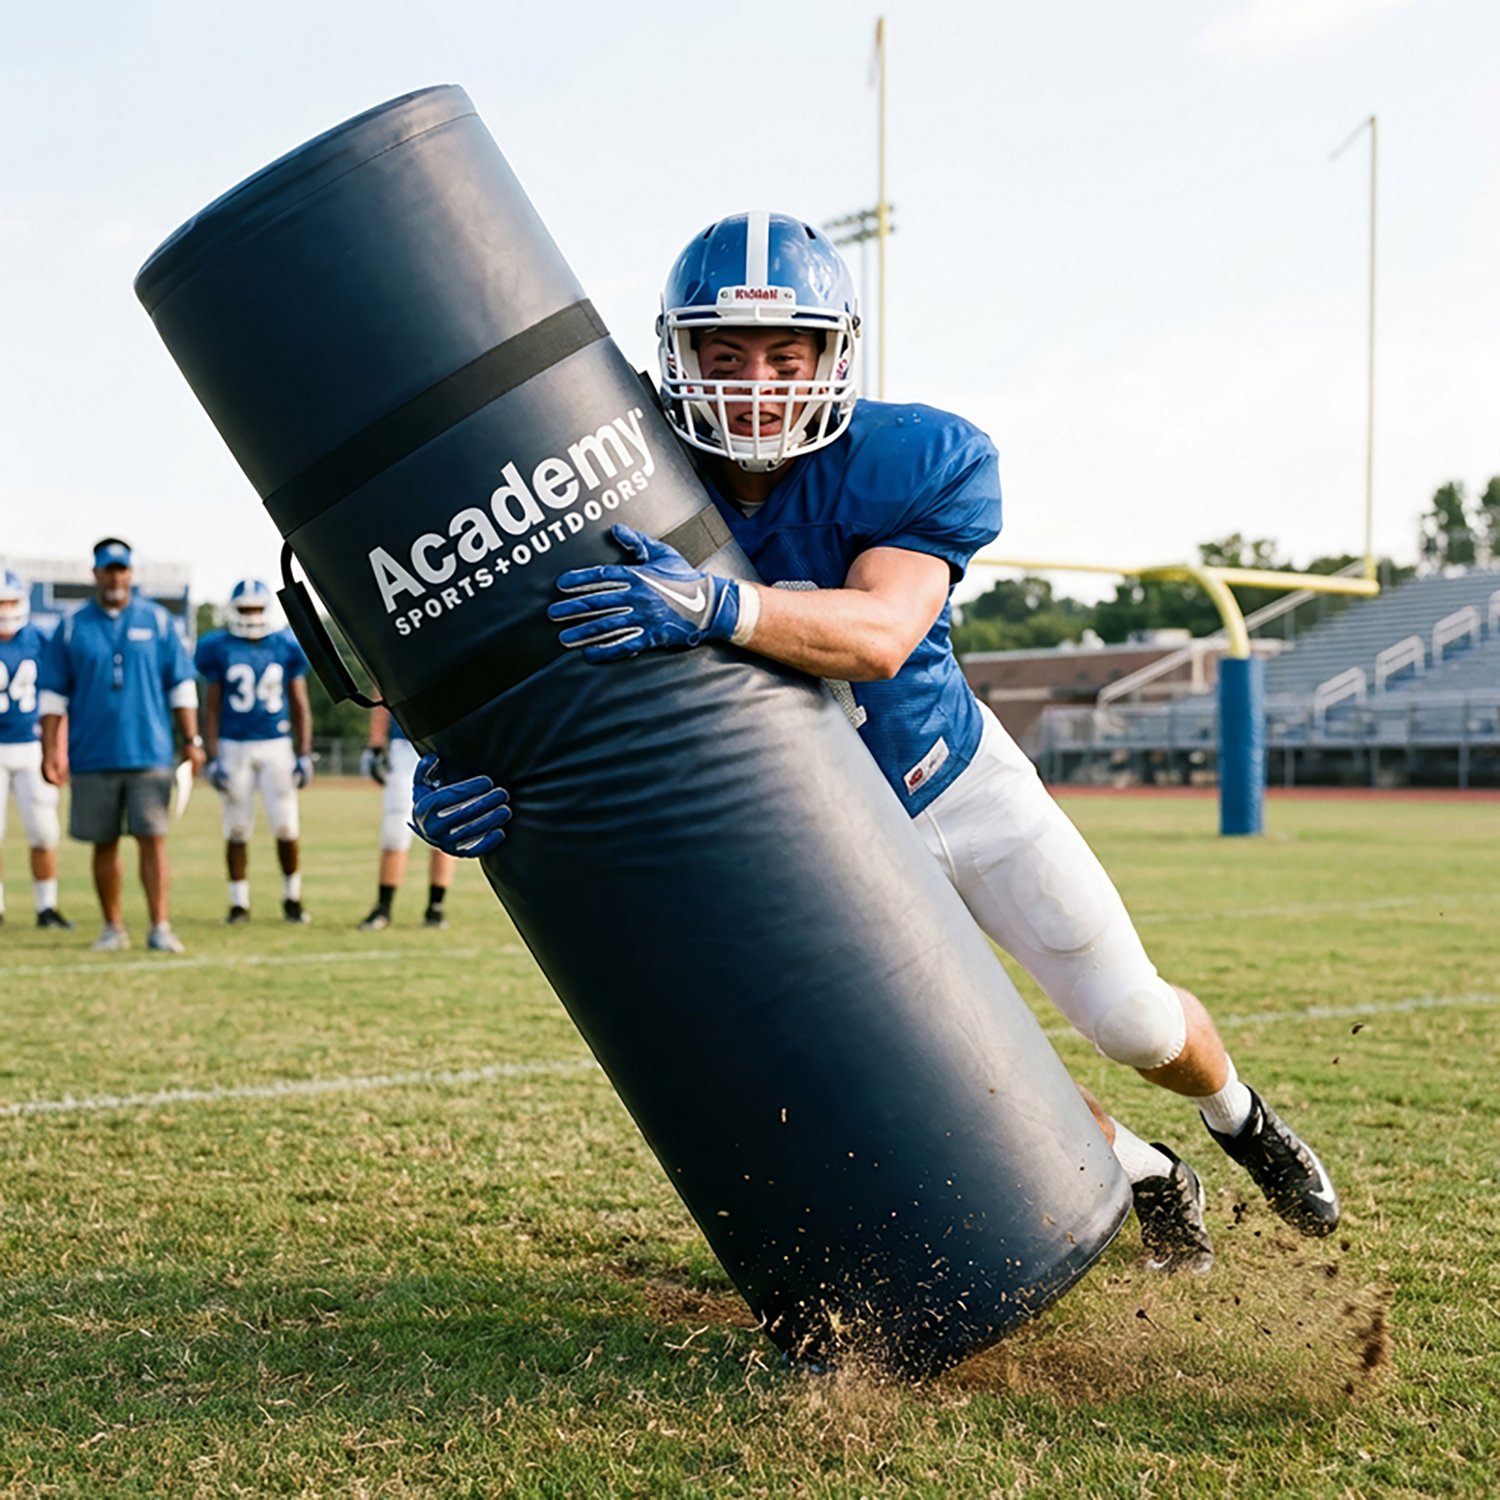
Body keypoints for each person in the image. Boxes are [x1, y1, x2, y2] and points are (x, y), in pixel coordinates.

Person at [412, 213, 1341, 1254]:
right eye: (726, 355)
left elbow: (885, 634)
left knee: (1133, 1020)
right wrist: (452, 765)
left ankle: (1239, 1120)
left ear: (832, 354)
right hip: (818, 850)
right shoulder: (617, 474)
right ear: (674, 358)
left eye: (783, 353)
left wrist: (720, 609)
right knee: (961, 1069)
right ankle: (1144, 1167)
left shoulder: (910, 459)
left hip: (954, 786)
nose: (755, 383)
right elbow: (503, 626)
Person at [37, 538, 204, 953]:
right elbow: (54, 696)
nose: (115, 577)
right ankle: (113, 926)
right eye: (108, 569)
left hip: (149, 751)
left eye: (122, 569)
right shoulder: (73, 625)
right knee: (103, 842)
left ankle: (160, 926)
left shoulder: (160, 622)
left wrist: (192, 740)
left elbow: (181, 687)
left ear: (131, 573)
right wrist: (49, 751)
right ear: (96, 573)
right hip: (92, 755)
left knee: (154, 840)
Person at [194, 578, 315, 924]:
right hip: (234, 745)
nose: (251, 615)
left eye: (256, 608)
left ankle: (292, 898)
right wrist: (213, 755)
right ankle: (239, 903)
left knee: (286, 826)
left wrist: (304, 753)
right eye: (245, 609)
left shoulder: (284, 645)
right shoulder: (219, 646)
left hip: (277, 744)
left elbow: (300, 704)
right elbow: (212, 706)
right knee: (236, 827)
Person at [0, 569, 72, 930]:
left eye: (10, 601)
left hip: (31, 745)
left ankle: (47, 907)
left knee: (44, 831)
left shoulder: (40, 639)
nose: (5, 610)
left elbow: (57, 697)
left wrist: (57, 748)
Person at [356, 706, 455, 932]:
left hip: (444, 741)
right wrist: (376, 742)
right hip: (404, 743)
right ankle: (384, 906)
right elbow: (380, 687)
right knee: (395, 826)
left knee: (445, 820)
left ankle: (436, 907)